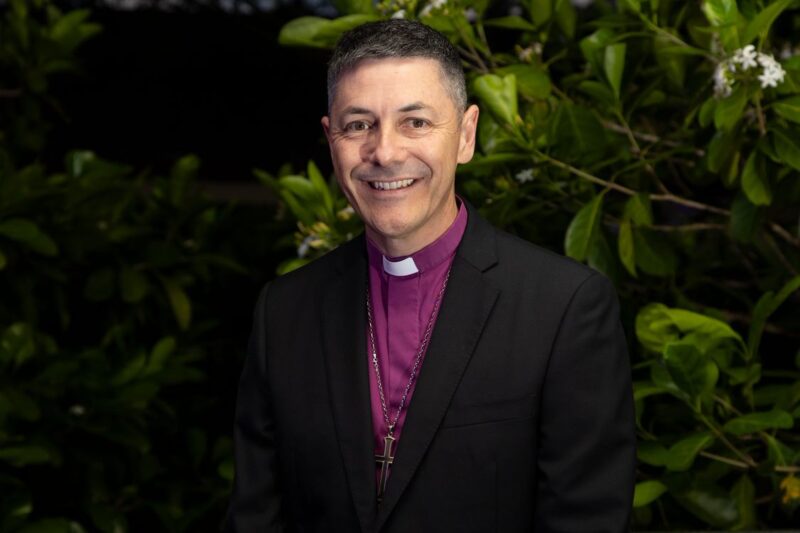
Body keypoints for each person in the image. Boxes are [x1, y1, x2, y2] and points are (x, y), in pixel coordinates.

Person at [225, 19, 635, 532]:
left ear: (465, 135)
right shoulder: (283, 312)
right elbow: (256, 518)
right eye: (359, 125)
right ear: (332, 140)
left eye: (415, 122)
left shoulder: (565, 308)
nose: (386, 152)